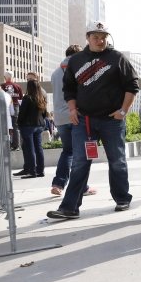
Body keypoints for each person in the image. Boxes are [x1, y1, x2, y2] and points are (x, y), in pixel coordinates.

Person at [46, 21, 138, 220]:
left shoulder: (117, 58)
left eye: (104, 36)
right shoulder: (76, 60)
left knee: (117, 161)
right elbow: (68, 88)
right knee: (79, 162)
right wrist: (71, 109)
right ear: (87, 37)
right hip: (84, 120)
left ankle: (122, 198)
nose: (100, 40)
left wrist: (123, 111)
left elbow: (132, 85)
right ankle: (69, 207)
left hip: (112, 120)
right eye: (96, 36)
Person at [49, 45, 96, 197]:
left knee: (68, 151)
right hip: (76, 115)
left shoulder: (56, 73)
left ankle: (58, 184)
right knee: (81, 154)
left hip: (60, 117)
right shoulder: (78, 68)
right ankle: (82, 187)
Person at [15, 80, 47, 179]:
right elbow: (44, 113)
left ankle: (32, 172)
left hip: (28, 126)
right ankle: (40, 170)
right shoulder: (41, 98)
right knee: (38, 148)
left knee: (30, 148)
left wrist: (19, 123)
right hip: (39, 125)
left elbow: (22, 113)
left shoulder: (27, 98)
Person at [2, 72, 23, 150]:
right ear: (13, 77)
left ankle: (7, 144)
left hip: (5, 107)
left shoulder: (2, 86)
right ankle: (16, 145)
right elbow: (21, 99)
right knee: (15, 126)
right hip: (15, 106)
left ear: (5, 77)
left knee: (5, 125)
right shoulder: (17, 86)